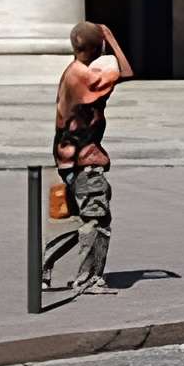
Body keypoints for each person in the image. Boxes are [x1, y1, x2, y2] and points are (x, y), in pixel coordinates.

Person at [45, 20, 128, 294]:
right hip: (85, 161)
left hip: (69, 159)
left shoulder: (71, 71)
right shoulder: (84, 76)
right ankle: (88, 279)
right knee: (97, 220)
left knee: (82, 218)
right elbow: (125, 71)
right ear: (97, 47)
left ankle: (43, 265)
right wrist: (111, 40)